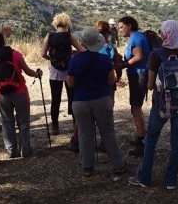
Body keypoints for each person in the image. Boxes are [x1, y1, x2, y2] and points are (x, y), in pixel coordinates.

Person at [128, 20, 178, 189]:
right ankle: (171, 180)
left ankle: (145, 177)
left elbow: (150, 85)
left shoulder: (156, 55)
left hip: (161, 105)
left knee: (151, 139)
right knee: (176, 141)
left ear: (165, 34)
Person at [67, 27, 127, 176]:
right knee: (108, 131)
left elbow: (70, 83)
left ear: (82, 42)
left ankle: (88, 165)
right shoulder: (105, 59)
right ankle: (118, 164)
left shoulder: (75, 60)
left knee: (85, 133)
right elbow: (111, 80)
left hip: (81, 100)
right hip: (102, 99)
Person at [0, 32, 41, 158]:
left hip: (2, 93)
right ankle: (25, 149)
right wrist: (37, 74)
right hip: (20, 91)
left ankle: (11, 149)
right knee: (23, 121)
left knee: (6, 121)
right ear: (4, 41)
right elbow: (27, 71)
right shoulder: (14, 54)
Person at [40, 12, 85, 150]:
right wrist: (72, 56)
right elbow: (81, 50)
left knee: (56, 98)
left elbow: (42, 54)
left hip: (54, 72)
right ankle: (74, 125)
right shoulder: (69, 36)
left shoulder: (49, 36)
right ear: (67, 24)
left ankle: (55, 126)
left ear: (56, 23)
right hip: (69, 71)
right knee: (72, 97)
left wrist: (52, 60)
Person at [116, 16, 151, 157]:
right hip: (138, 74)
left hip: (138, 75)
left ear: (129, 25)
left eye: (121, 27)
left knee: (135, 108)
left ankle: (142, 142)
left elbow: (138, 57)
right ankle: (141, 135)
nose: (119, 30)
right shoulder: (137, 37)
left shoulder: (136, 37)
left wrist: (122, 65)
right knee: (136, 106)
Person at [95, 21, 122, 105]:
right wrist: (118, 77)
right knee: (108, 105)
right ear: (108, 33)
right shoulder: (110, 47)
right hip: (108, 79)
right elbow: (118, 66)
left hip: (93, 80)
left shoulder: (90, 46)